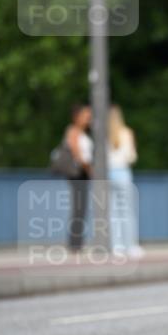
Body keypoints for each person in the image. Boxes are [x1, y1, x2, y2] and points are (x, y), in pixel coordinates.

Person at [108, 105, 143, 258]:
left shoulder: (104, 135)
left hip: (108, 175)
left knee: (113, 213)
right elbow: (131, 157)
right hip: (123, 174)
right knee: (127, 211)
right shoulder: (127, 133)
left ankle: (117, 247)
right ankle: (131, 246)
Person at [64, 103, 93, 252]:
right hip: (78, 174)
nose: (89, 119)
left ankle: (77, 241)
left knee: (81, 208)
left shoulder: (84, 133)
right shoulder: (73, 131)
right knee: (78, 208)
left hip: (83, 174)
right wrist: (91, 170)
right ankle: (75, 243)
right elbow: (77, 155)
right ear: (77, 116)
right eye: (86, 116)